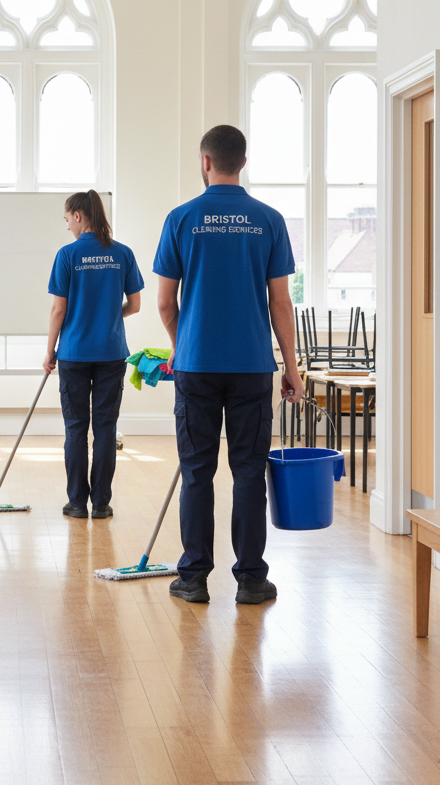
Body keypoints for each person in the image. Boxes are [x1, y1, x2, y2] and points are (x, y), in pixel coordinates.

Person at [153, 125, 302, 605]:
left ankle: (194, 577)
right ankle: (251, 580)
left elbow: (164, 303)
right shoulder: (269, 220)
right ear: (242, 162)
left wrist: (183, 344)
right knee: (248, 471)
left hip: (195, 366)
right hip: (252, 366)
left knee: (197, 470)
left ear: (205, 162)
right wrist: (292, 368)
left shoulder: (180, 218)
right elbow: (281, 304)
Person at [44, 190, 144, 519]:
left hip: (73, 353)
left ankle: (76, 503)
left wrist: (49, 351)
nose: (67, 225)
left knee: (75, 429)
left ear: (78, 216)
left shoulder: (67, 255)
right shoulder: (123, 254)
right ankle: (101, 503)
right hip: (112, 352)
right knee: (105, 428)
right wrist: (109, 317)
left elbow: (59, 310)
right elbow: (136, 304)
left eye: (67, 219)